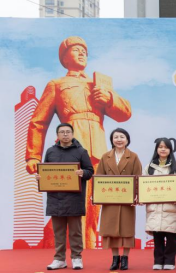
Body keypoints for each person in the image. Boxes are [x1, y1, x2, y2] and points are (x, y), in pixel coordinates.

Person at [25, 36, 132, 249]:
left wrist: (109, 99)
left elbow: (125, 113)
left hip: (98, 150)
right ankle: (66, 248)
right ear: (65, 58)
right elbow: (39, 122)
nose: (82, 53)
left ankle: (88, 248)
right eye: (76, 49)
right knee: (71, 202)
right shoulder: (57, 85)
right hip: (70, 150)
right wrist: (33, 155)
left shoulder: (98, 85)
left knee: (94, 205)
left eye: (84, 50)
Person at [41, 123, 94, 270]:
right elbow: (45, 170)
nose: (65, 134)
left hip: (74, 198)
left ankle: (77, 257)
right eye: (62, 132)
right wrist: (41, 177)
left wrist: (83, 172)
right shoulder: (50, 151)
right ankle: (59, 259)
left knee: (75, 231)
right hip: (55, 198)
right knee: (58, 232)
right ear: (57, 135)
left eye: (68, 132)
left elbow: (90, 171)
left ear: (72, 134)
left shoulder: (81, 151)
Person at [95, 128, 142, 271]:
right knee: (111, 229)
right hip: (110, 200)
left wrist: (136, 195)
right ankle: (115, 258)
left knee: (127, 229)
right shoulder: (105, 157)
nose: (119, 140)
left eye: (122, 137)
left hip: (127, 200)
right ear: (112, 140)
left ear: (127, 140)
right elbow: (99, 178)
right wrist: (98, 195)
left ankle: (125, 258)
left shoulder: (133, 156)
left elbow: (138, 178)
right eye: (116, 137)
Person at [144, 138, 176, 270]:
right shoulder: (149, 167)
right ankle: (158, 261)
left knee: (171, 237)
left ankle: (170, 261)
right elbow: (142, 186)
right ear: (156, 149)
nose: (163, 149)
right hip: (155, 207)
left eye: (166, 147)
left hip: (171, 207)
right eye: (160, 147)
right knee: (158, 237)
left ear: (170, 150)